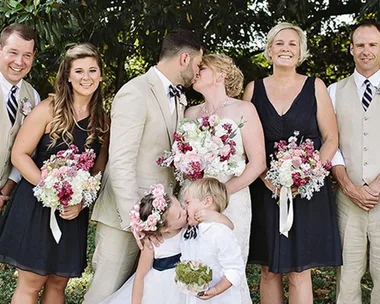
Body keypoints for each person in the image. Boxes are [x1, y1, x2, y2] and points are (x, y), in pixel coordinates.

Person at [85, 29, 203, 303]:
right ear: (184, 58)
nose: (198, 71)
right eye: (197, 63)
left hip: (165, 220)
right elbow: (120, 161)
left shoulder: (179, 98)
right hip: (125, 217)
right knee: (106, 292)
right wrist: (137, 221)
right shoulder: (135, 91)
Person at [0, 43, 109, 304]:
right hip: (37, 204)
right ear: (68, 76)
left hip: (72, 212)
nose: (86, 77)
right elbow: (19, 154)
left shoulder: (103, 120)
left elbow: (98, 170)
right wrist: (52, 189)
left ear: (101, 75)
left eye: (92, 70)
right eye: (79, 71)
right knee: (32, 282)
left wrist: (80, 201)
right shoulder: (48, 109)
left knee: (58, 283)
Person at [242, 22, 342, 304]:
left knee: (300, 272)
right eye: (280, 43)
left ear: (301, 53)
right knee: (268, 269)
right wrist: (265, 177)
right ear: (269, 50)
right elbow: (246, 143)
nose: (286, 49)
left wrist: (308, 176)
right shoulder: (253, 89)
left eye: (292, 44)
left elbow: (331, 138)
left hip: (307, 191)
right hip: (265, 189)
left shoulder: (315, 87)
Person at [184, 53, 266, 303]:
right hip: (193, 199)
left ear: (220, 75)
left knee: (227, 267)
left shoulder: (244, 109)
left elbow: (258, 163)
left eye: (203, 68)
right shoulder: (190, 113)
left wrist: (221, 194)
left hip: (232, 200)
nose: (195, 71)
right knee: (194, 265)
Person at [100, 183, 233, 304]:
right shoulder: (153, 243)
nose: (185, 211)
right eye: (180, 215)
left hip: (187, 284)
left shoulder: (190, 224)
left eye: (182, 206)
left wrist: (215, 216)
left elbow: (229, 226)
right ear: (165, 228)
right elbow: (140, 275)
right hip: (160, 289)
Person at [328, 20, 380, 304]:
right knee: (347, 276)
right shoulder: (334, 91)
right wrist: (347, 185)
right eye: (360, 45)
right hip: (348, 200)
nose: (366, 51)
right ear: (351, 50)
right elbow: (330, 142)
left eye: (373, 44)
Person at [181, 177, 245, 304]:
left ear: (207, 202)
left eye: (188, 203)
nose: (184, 207)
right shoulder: (188, 231)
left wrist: (216, 290)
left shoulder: (220, 233)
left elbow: (235, 268)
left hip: (220, 299)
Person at [0, 23, 40, 219]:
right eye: (13, 52)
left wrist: (5, 191)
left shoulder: (33, 97)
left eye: (27, 55)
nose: (19, 61)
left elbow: (28, 151)